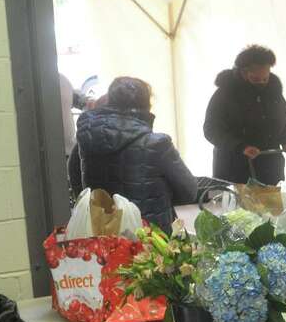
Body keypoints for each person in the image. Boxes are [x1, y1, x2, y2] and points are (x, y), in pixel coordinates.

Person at [70, 77, 198, 232]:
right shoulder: (158, 144)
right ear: (146, 105)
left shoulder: (86, 141)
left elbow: (80, 189)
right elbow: (189, 192)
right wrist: (159, 198)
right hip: (151, 239)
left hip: (103, 235)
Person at [203, 44, 286, 185]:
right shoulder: (225, 94)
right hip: (234, 170)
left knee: (271, 206)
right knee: (239, 207)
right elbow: (211, 130)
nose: (262, 83)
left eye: (265, 79)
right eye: (255, 79)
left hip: (271, 169)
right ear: (243, 72)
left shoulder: (274, 93)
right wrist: (241, 147)